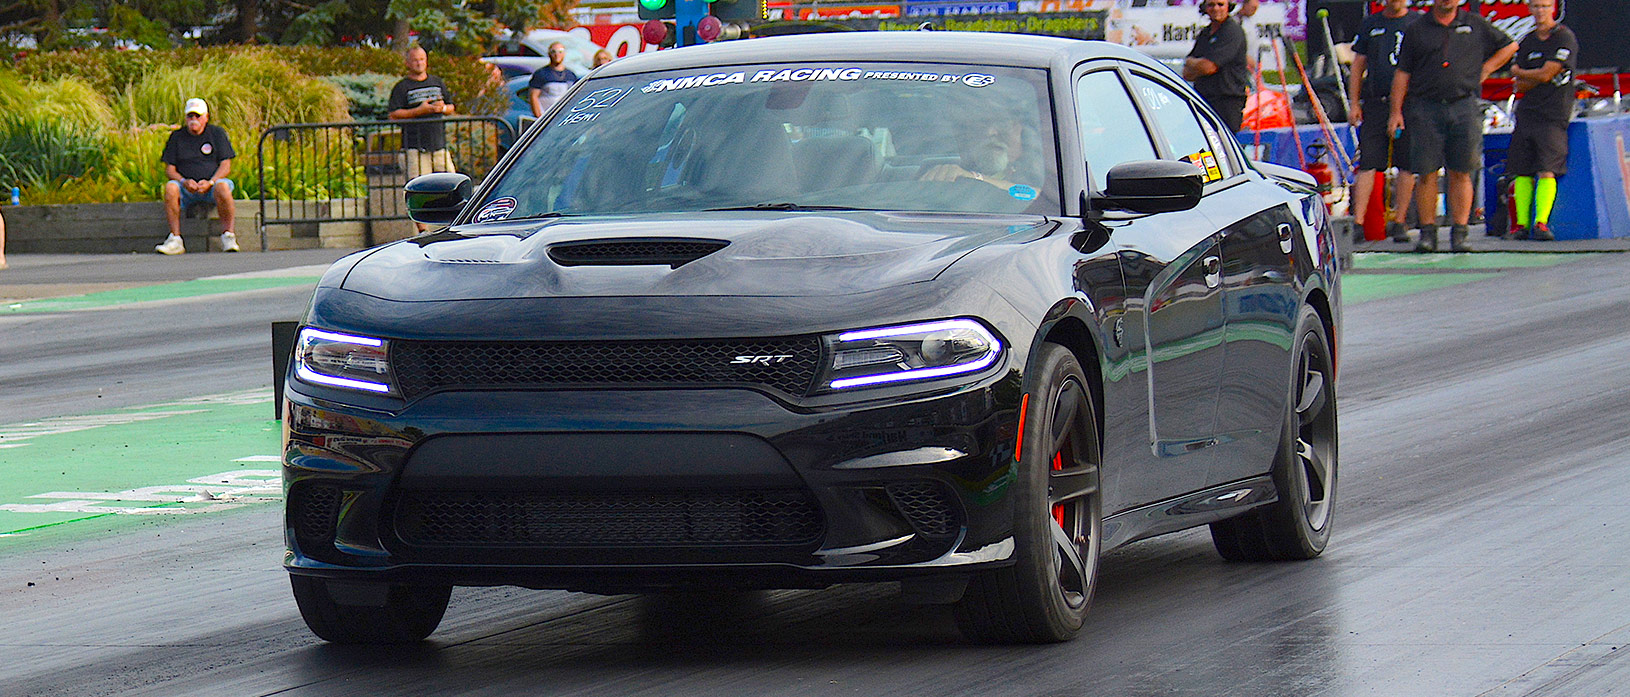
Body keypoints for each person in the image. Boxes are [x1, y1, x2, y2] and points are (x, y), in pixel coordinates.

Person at [1388, 0, 1516, 252]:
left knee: (1462, 170)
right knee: (1426, 172)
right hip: (1425, 107)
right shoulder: (1417, 28)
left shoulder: (1474, 24)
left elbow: (1510, 45)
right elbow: (1402, 73)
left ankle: (1460, 233)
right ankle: (1428, 234)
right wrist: (1395, 112)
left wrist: (1487, 68)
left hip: (1463, 104)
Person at [1348, 0, 1419, 243]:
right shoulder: (1371, 24)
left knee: (1407, 162)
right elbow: (1358, 65)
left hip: (1410, 103)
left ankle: (1400, 221)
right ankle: (1358, 222)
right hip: (1376, 101)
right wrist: (1354, 102)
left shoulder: (1417, 22)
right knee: (1369, 161)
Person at [1506, 0, 1576, 241]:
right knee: (1522, 171)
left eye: (1545, 6)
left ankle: (1541, 223)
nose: (1540, 11)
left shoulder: (1564, 37)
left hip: (1553, 114)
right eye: (1536, 6)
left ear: (1553, 9)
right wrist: (1533, 77)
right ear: (1529, 9)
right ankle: (1521, 225)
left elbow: (1547, 73)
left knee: (1547, 169)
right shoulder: (1528, 40)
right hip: (1527, 113)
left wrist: (1526, 74)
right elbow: (1519, 82)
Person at [388, 45, 458, 232]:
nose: (419, 63)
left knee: (451, 182)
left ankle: (454, 224)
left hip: (438, 144)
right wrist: (419, 111)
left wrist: (441, 108)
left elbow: (451, 107)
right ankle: (422, 229)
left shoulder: (437, 82)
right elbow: (394, 114)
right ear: (407, 63)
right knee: (419, 187)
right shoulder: (402, 87)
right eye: (415, 60)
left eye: (422, 59)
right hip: (415, 146)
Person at [156, 98, 238, 255]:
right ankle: (175, 239)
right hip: (186, 188)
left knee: (223, 186)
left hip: (212, 185)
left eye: (198, 116)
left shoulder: (217, 133)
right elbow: (170, 169)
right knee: (171, 187)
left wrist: (211, 182)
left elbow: (225, 165)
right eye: (190, 116)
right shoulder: (177, 137)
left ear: (206, 117)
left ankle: (228, 235)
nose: (194, 120)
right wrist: (184, 181)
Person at [1184, 0, 1251, 134]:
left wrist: (1195, 64)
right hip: (1204, 100)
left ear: (1228, 7)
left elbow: (1209, 67)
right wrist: (1198, 65)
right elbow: (1186, 73)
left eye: (1220, 4)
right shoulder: (1205, 33)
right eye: (1211, 5)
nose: (1215, 9)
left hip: (1227, 102)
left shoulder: (1232, 31)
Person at [529, 42, 580, 117]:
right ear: (549, 54)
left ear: (564, 53)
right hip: (546, 117)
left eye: (560, 51)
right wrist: (539, 117)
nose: (557, 55)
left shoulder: (571, 75)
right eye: (553, 52)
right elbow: (533, 96)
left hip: (564, 117)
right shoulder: (541, 74)